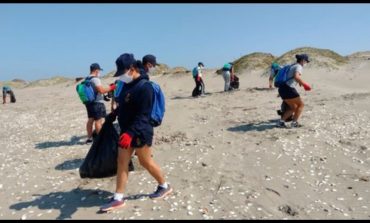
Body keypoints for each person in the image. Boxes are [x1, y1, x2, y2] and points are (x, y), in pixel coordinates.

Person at [100, 53, 172, 212]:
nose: (121, 77)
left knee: (145, 162)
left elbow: (143, 115)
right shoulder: (127, 85)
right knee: (121, 161)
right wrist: (113, 115)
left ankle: (164, 186)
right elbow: (125, 105)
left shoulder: (145, 87)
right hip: (126, 130)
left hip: (140, 132)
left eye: (122, 73)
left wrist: (131, 133)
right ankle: (118, 198)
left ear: (132, 69)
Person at [84, 63, 116, 144]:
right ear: (96, 70)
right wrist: (112, 87)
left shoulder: (87, 78)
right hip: (97, 103)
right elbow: (101, 90)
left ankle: (89, 138)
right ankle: (101, 140)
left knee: (90, 120)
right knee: (98, 121)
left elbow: (95, 91)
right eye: (99, 70)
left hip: (89, 103)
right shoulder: (95, 79)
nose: (99, 72)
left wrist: (103, 96)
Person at [277, 54, 312, 128]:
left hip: (282, 89)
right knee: (301, 105)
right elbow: (296, 76)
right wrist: (305, 85)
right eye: (306, 61)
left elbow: (292, 77)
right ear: (302, 60)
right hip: (289, 88)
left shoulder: (292, 65)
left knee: (293, 107)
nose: (306, 63)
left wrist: (299, 82)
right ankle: (294, 123)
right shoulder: (299, 66)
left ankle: (281, 122)